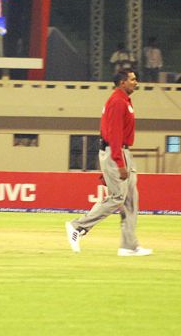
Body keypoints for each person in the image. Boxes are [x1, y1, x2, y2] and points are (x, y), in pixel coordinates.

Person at [65, 70, 152, 257]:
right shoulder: (117, 101)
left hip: (122, 152)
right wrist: (118, 163)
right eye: (132, 79)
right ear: (122, 82)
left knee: (131, 200)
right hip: (116, 152)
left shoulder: (124, 101)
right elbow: (114, 134)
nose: (136, 82)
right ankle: (77, 226)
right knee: (117, 197)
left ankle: (129, 246)